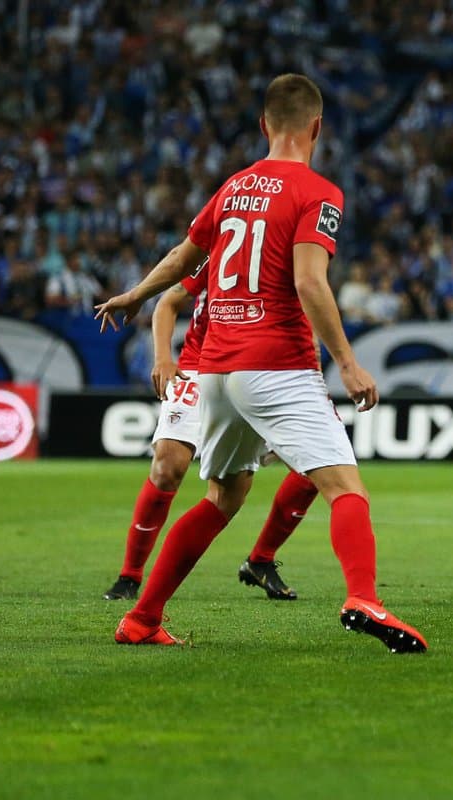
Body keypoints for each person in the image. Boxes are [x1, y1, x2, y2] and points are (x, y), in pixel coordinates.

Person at [96, 74, 427, 653]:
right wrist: (348, 363)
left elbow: (183, 257)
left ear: (263, 125)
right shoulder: (319, 193)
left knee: (222, 498)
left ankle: (142, 617)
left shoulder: (233, 186)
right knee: (345, 488)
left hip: (216, 371)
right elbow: (309, 281)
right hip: (277, 364)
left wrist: (135, 294)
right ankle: (362, 597)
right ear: (317, 128)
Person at [102, 260, 320, 603]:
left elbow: (308, 319)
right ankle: (129, 576)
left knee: (315, 466)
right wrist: (163, 358)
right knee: (168, 467)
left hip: (260, 372)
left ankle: (261, 560)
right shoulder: (221, 251)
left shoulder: (292, 261)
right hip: (197, 367)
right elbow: (169, 301)